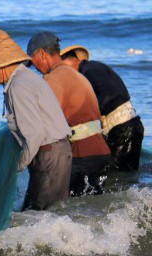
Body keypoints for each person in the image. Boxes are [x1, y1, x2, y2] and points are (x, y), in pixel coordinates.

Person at [0, 30, 72, 210]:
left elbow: (34, 134)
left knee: (42, 216)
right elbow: (26, 129)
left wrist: (16, 166)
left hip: (49, 155)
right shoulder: (25, 78)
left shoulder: (18, 86)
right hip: (54, 152)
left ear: (0, 64)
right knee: (45, 214)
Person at [26, 32, 112, 196]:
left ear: (42, 54)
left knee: (67, 211)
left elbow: (43, 121)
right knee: (92, 211)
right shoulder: (76, 74)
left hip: (83, 155)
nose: (35, 68)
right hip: (101, 152)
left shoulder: (53, 78)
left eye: (33, 62)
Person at [60, 45, 144, 173]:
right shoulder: (95, 67)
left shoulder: (89, 71)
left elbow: (109, 96)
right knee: (127, 174)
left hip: (122, 129)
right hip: (131, 124)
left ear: (71, 62)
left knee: (115, 175)